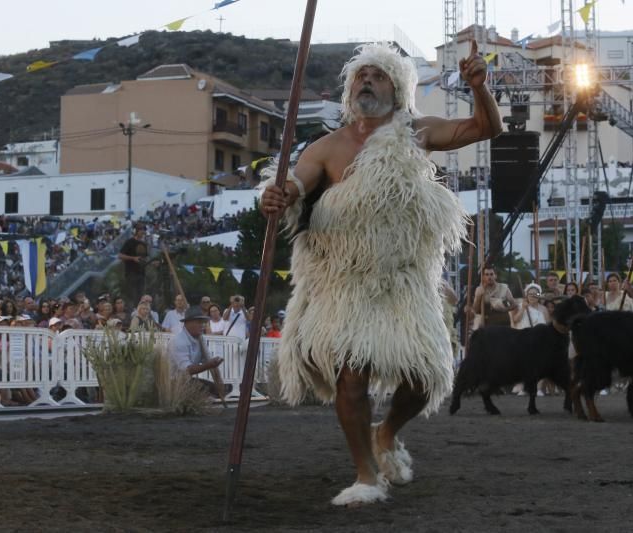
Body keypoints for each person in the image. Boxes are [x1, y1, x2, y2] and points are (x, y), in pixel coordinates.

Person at [259, 41, 500, 506]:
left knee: (425, 378)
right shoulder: (327, 147)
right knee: (352, 375)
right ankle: (366, 476)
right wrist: (279, 192)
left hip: (404, 281)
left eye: (378, 75)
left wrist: (478, 87)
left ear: (398, 88)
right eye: (360, 76)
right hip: (345, 284)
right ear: (350, 90)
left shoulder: (416, 133)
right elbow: (298, 180)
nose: (366, 81)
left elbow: (484, 127)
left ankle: (385, 433)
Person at [168, 306, 223, 388]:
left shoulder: (200, 338)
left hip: (186, 380)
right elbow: (187, 370)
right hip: (173, 383)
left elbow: (207, 359)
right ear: (187, 323)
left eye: (204, 322)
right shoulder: (178, 341)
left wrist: (213, 362)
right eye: (199, 322)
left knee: (213, 389)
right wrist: (208, 365)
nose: (203, 325)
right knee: (208, 391)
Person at [117, 224, 150, 306]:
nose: (142, 231)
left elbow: (145, 258)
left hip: (142, 273)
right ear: (136, 231)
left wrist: (151, 262)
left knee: (140, 296)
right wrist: (133, 258)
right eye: (141, 230)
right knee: (131, 296)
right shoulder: (130, 242)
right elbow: (120, 255)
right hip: (131, 273)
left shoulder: (144, 244)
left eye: (143, 230)